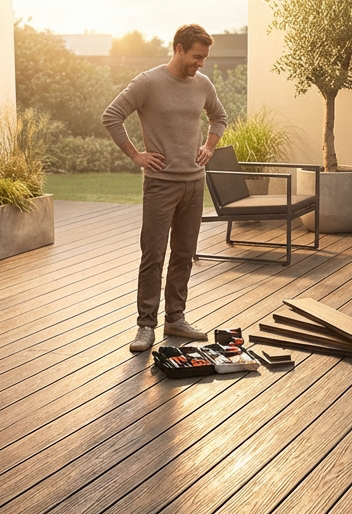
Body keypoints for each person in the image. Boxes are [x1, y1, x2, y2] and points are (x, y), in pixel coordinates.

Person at [103, 24, 228, 353]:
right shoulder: (148, 82)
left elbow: (219, 117)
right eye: (196, 57)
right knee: (154, 255)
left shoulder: (203, 84)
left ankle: (176, 318)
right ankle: (146, 325)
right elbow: (112, 116)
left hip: (194, 184)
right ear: (179, 49)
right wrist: (137, 156)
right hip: (160, 185)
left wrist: (210, 146)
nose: (201, 63)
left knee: (184, 255)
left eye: (204, 58)